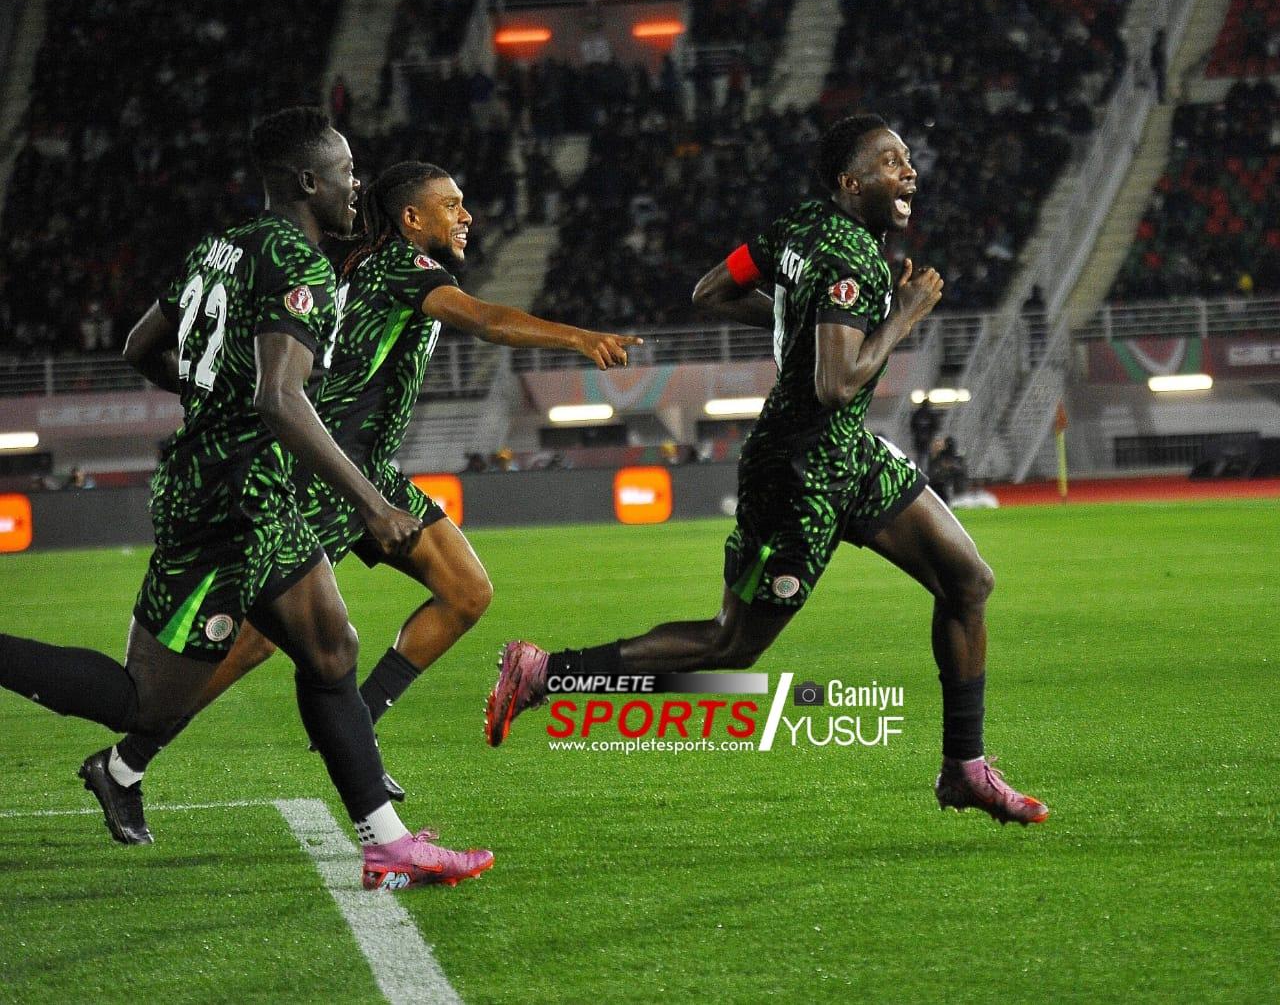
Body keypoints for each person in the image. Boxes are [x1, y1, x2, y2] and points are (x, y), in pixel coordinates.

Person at [486, 114, 1049, 826]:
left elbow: (711, 291)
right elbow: (835, 385)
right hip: (798, 471)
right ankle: (545, 672)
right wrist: (904, 315)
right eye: (890, 163)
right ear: (851, 182)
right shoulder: (850, 258)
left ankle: (964, 769)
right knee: (729, 645)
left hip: (847, 454)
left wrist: (802, 323)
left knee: (968, 581)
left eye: (907, 159)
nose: (909, 172)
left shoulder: (797, 226)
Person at [0, 108, 492, 889]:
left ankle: (388, 843)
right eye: (345, 172)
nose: (355, 185)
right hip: (234, 499)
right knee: (141, 701)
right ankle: (123, 758)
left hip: (235, 483)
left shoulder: (221, 246)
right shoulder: (299, 264)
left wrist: (209, 399)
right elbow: (280, 398)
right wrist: (371, 503)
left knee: (331, 649)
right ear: (307, 181)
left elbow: (140, 346)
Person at [96, 160, 641, 836]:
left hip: (372, 470)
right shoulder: (404, 268)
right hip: (329, 477)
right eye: (451, 205)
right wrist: (579, 337)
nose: (466, 216)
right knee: (253, 644)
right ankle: (125, 763)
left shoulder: (367, 264)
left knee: (466, 591)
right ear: (412, 218)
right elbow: (485, 319)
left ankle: (360, 729)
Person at [909, 396, 939, 467]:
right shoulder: (930, 414)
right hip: (926, 438)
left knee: (920, 456)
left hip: (919, 438)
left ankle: (919, 467)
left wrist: (916, 433)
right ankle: (925, 468)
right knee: (925, 455)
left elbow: (912, 425)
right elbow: (935, 426)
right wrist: (931, 434)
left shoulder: (917, 413)